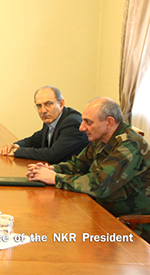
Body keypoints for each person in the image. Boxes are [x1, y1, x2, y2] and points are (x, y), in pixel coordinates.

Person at [27, 97, 150, 241]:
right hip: (101, 212)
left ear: (109, 123)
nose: (81, 127)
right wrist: (51, 169)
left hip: (130, 226)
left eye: (88, 122)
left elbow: (100, 185)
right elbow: (77, 165)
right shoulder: (101, 139)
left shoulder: (130, 144)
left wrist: (54, 178)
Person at [0, 86, 89, 164]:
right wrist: (15, 145)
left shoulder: (72, 123)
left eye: (49, 104)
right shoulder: (52, 119)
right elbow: (35, 140)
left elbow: (53, 155)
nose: (43, 111)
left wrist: (17, 152)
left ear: (61, 104)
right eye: (39, 106)